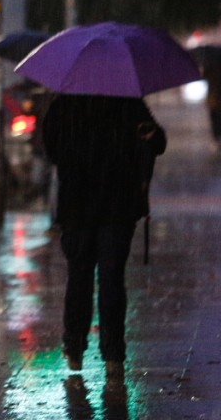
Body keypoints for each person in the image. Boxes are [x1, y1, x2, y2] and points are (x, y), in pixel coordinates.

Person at [42, 94, 166, 382]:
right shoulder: (128, 102)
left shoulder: (65, 104)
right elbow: (157, 142)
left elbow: (50, 150)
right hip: (117, 205)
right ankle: (113, 355)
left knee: (79, 277)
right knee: (111, 279)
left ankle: (74, 348)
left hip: (77, 206)